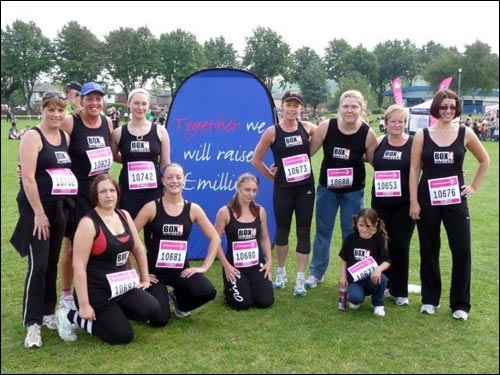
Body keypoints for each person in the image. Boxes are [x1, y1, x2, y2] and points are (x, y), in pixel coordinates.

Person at [409, 90, 490, 321]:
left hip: (455, 200)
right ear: (436, 108)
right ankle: (430, 299)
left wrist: (473, 186)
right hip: (427, 199)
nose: (448, 110)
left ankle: (460, 304)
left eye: (452, 107)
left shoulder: (465, 133)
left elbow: (485, 160)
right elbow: (415, 169)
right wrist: (414, 201)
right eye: (444, 106)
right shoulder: (422, 135)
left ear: (457, 109)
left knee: (462, 249)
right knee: (429, 248)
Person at [56, 174, 160, 344]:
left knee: (152, 309)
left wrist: (145, 278)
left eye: (112, 190)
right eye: (103, 191)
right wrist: (84, 305)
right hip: (97, 292)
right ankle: (71, 316)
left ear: (118, 193)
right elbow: (79, 266)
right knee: (123, 336)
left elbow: (139, 249)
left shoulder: (124, 215)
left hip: (121, 287)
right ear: (95, 196)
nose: (108, 195)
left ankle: (113, 314)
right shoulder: (88, 223)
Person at [10, 92, 76, 348]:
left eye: (60, 110)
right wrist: (38, 213)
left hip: (59, 207)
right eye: (51, 110)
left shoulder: (65, 137)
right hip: (36, 210)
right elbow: (27, 177)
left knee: (50, 262)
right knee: (37, 265)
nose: (56, 115)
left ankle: (47, 312)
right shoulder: (31, 136)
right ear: (43, 110)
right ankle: (32, 323)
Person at [305, 90, 378, 288]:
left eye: (354, 107)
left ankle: (351, 275)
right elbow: (306, 153)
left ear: (361, 109)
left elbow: (376, 162)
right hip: (327, 190)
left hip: (353, 192)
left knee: (352, 233)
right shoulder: (326, 127)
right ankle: (316, 273)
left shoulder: (367, 133)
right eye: (345, 106)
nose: (349, 110)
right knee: (323, 231)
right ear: (339, 108)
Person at [134, 163, 218, 326]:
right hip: (155, 274)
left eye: (178, 177)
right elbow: (128, 238)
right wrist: (138, 273)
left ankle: (179, 301)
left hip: (180, 270)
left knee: (208, 291)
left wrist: (204, 267)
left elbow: (215, 237)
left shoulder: (193, 209)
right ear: (163, 181)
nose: (174, 181)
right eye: (170, 177)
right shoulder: (151, 208)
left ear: (184, 180)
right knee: (159, 320)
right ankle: (157, 298)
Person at [251, 90, 316, 296]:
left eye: (296, 105)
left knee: (303, 231)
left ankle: (300, 277)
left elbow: (326, 134)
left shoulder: (307, 128)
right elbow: (256, 159)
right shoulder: (273, 132)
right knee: (282, 229)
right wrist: (271, 176)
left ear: (301, 108)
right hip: (283, 190)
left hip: (305, 188)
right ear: (282, 106)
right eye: (288, 104)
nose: (292, 108)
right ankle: (280, 272)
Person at [57, 81, 114, 314]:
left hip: (101, 194)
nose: (94, 103)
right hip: (77, 194)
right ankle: (67, 295)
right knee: (72, 247)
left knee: (102, 243)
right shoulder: (72, 121)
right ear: (81, 100)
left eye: (98, 98)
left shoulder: (107, 122)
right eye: (89, 98)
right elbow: (50, 143)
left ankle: (99, 288)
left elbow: (114, 154)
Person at [369, 105, 415, 306]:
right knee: (382, 245)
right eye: (393, 121)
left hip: (404, 205)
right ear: (386, 123)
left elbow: (429, 165)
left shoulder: (414, 144)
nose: (397, 125)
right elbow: (363, 158)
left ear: (406, 123)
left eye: (401, 121)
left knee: (401, 246)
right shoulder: (379, 142)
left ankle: (400, 291)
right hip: (380, 204)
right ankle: (383, 285)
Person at [214, 173, 274, 309]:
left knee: (265, 301)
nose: (250, 194)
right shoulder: (225, 212)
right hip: (235, 267)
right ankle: (230, 290)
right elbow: (215, 241)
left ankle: (253, 286)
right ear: (238, 188)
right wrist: (226, 265)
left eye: (254, 190)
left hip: (256, 264)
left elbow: (265, 238)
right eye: (247, 190)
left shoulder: (260, 211)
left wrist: (269, 261)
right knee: (243, 303)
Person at [111, 88, 171, 219]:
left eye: (144, 104)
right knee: (127, 230)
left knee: (153, 233)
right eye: (136, 103)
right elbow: (111, 157)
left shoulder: (160, 131)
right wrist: (130, 161)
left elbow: (165, 163)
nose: (140, 107)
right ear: (128, 104)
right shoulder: (118, 133)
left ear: (148, 105)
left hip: (153, 191)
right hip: (128, 191)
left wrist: (168, 189)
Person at [339, 208, 391, 317]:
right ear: (357, 222)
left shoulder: (378, 240)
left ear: (375, 224)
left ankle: (377, 303)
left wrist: (378, 269)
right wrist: (343, 276)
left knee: (383, 279)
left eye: (368, 226)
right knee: (355, 299)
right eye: (361, 225)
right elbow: (344, 259)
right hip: (355, 281)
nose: (364, 229)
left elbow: (387, 261)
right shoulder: (351, 239)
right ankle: (355, 297)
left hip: (372, 279)